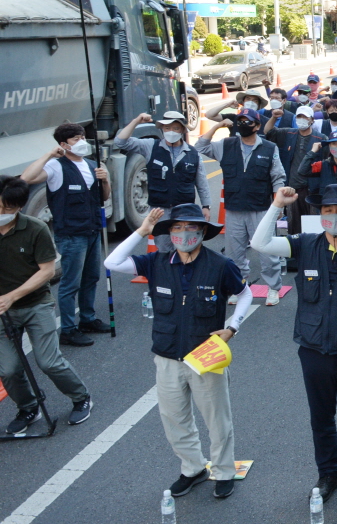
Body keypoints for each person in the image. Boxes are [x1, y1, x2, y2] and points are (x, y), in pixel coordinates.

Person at [250, 185, 337, 506]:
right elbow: (259, 243)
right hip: (313, 350)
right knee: (321, 418)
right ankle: (329, 473)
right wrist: (276, 205)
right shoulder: (305, 245)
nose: (333, 217)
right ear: (320, 215)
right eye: (327, 211)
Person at [103, 204, 251, 500]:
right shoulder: (155, 262)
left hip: (206, 356)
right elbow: (112, 261)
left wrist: (232, 328)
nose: (185, 234)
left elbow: (245, 293)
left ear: (202, 231)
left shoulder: (220, 265)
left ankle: (223, 471)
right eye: (177, 228)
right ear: (169, 233)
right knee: (174, 419)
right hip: (167, 355)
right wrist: (142, 231)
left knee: (217, 421)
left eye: (191, 228)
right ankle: (192, 468)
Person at [0, 176, 93, 432]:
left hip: (35, 305)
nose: (1, 213)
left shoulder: (35, 229)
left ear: (18, 207)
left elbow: (47, 271)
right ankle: (29, 407)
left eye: (7, 209)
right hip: (2, 311)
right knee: (8, 369)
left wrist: (12, 296)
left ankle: (81, 398)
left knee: (49, 362)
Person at [21, 123, 111, 346]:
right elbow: (26, 178)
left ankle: (88, 319)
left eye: (83, 137)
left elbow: (104, 197)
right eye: (75, 139)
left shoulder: (92, 165)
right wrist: (49, 154)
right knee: (71, 283)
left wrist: (105, 179)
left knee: (92, 277)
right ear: (63, 145)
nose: (82, 142)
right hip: (71, 235)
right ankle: (68, 329)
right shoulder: (56, 167)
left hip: (92, 231)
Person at [196, 108, 287, 306]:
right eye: (240, 121)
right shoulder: (226, 145)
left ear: (257, 126)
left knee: (267, 252)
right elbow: (200, 147)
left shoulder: (269, 148)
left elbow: (278, 177)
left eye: (247, 122)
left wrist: (277, 204)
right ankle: (239, 287)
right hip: (234, 208)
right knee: (234, 253)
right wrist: (218, 126)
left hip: (261, 208)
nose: (243, 125)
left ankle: (273, 288)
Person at [113, 112, 212, 252]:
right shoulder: (150, 146)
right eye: (167, 128)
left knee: (186, 246)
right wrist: (136, 120)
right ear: (162, 129)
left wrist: (206, 206)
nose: (171, 132)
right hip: (160, 210)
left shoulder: (193, 153)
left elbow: (201, 182)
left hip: (184, 209)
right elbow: (120, 142)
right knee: (164, 248)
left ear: (183, 130)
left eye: (176, 128)